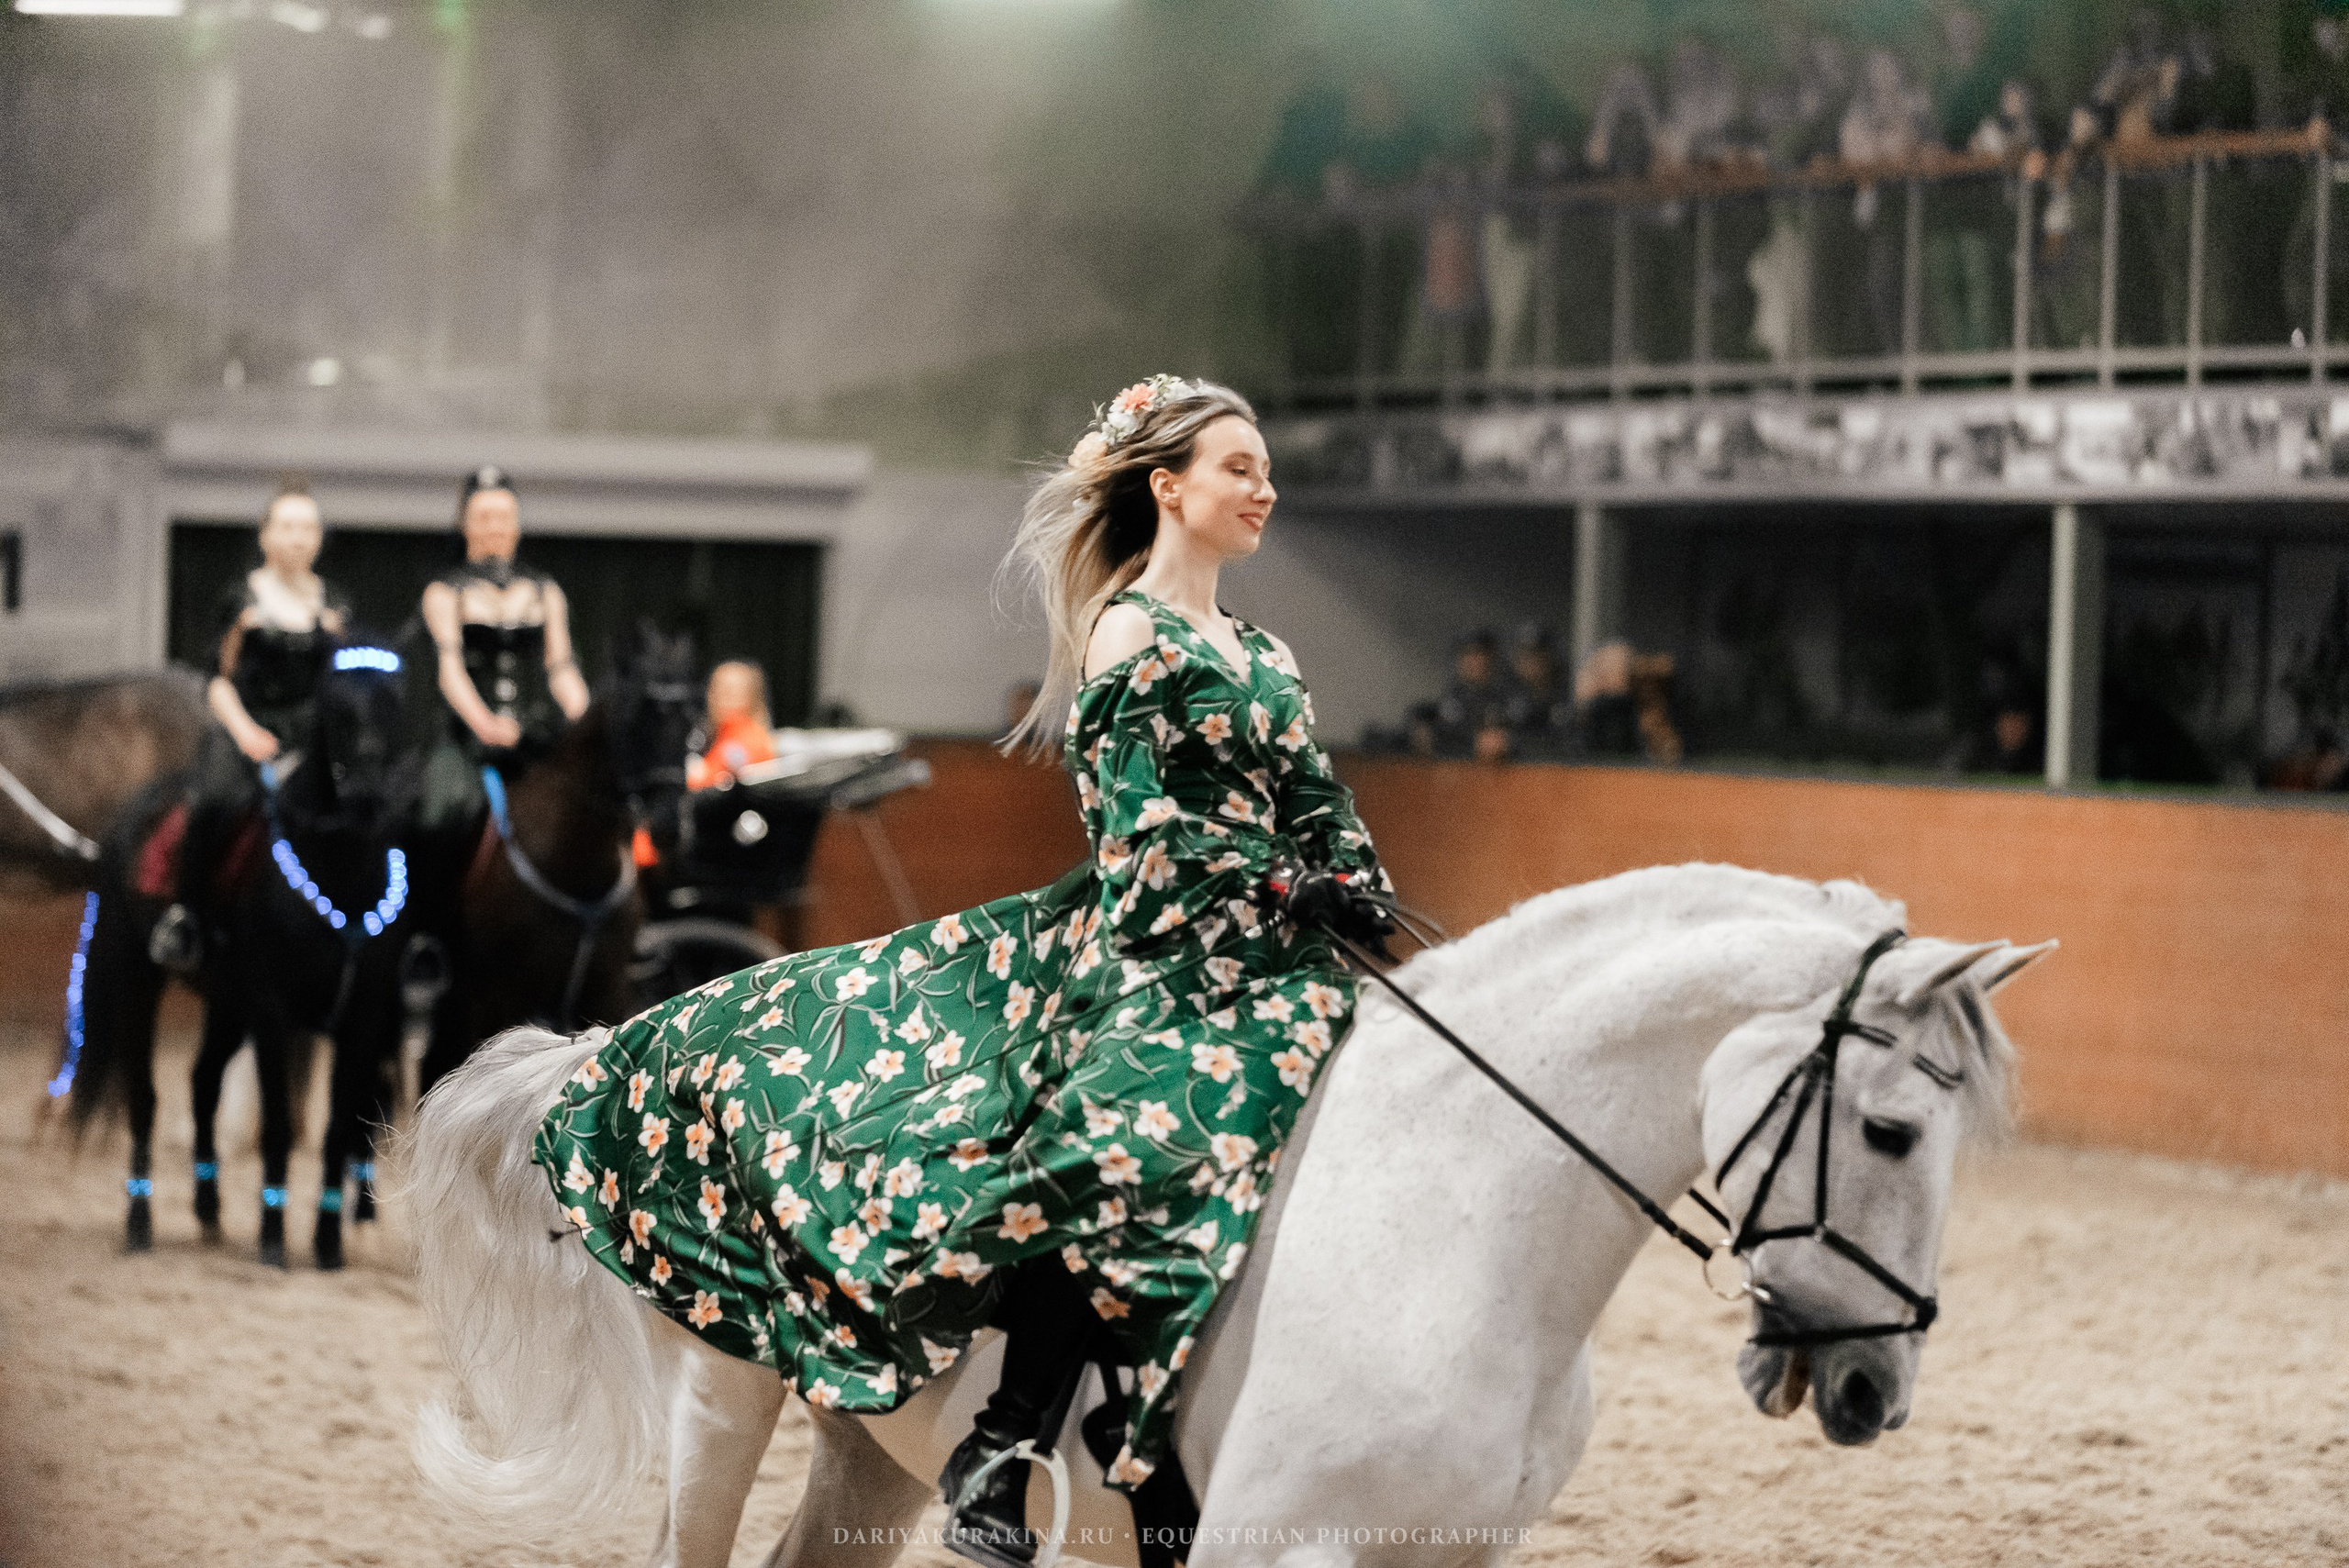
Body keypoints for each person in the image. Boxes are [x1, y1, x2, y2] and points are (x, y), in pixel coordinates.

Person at [533, 375, 1395, 1565]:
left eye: (1264, 469)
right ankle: (1008, 1436)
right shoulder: (1126, 628)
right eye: (1239, 467)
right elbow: (1135, 825)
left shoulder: (1266, 649)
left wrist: (1351, 871)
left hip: (1277, 954)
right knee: (1119, 1132)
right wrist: (1273, 877)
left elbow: (1313, 793)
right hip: (1152, 942)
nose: (1265, 487)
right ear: (1168, 486)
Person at [150, 478, 350, 972]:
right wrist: (245, 733)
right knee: (213, 801)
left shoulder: (336, 604)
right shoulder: (242, 598)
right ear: (265, 536)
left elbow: (340, 682)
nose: (298, 537)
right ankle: (186, 916)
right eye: (286, 526)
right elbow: (218, 680)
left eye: (308, 527)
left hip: (312, 737)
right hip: (247, 725)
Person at [415, 467, 591, 837]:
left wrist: (580, 716)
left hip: (534, 736)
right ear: (465, 525)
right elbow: (450, 668)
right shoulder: (445, 591)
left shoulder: (545, 590)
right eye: (484, 518)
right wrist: (484, 724)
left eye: (505, 517)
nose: (495, 526)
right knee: (436, 818)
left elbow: (560, 666)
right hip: (466, 743)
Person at [687, 661, 779, 791]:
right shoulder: (729, 734)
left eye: (727, 692)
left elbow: (701, 782)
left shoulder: (741, 742)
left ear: (748, 697)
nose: (716, 699)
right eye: (714, 691)